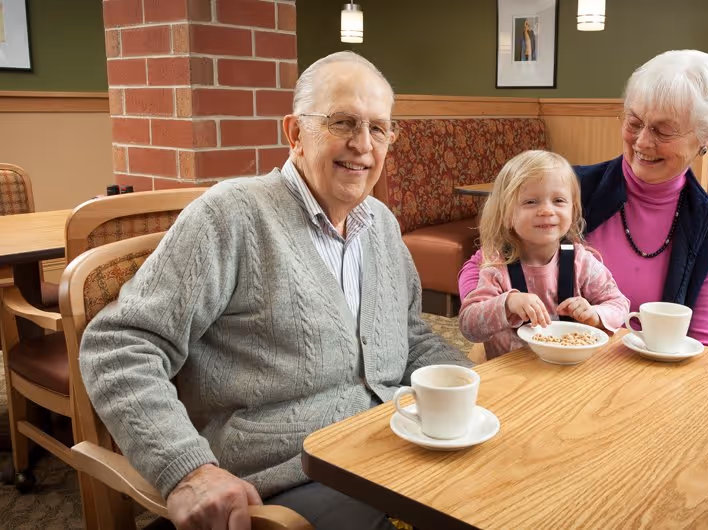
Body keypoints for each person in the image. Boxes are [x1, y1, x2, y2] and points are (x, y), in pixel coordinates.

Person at [79, 51, 471, 530]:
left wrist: (478, 386)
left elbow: (410, 337)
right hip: (286, 477)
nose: (364, 145)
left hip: (394, 443)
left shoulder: (383, 225)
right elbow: (119, 345)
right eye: (343, 122)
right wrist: (188, 471)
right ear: (294, 133)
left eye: (379, 128)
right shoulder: (231, 215)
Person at [460, 50, 708, 348]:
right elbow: (480, 265)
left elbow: (705, 344)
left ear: (705, 136)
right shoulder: (566, 191)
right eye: (634, 123)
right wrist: (500, 312)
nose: (643, 141)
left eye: (664, 130)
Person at [459, 150, 629, 359]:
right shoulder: (496, 267)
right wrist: (507, 303)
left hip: (569, 371)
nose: (547, 210)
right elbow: (469, 325)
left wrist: (595, 315)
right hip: (511, 374)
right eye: (531, 202)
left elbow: (619, 304)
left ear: (573, 211)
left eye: (558, 200)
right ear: (507, 215)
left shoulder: (581, 261)